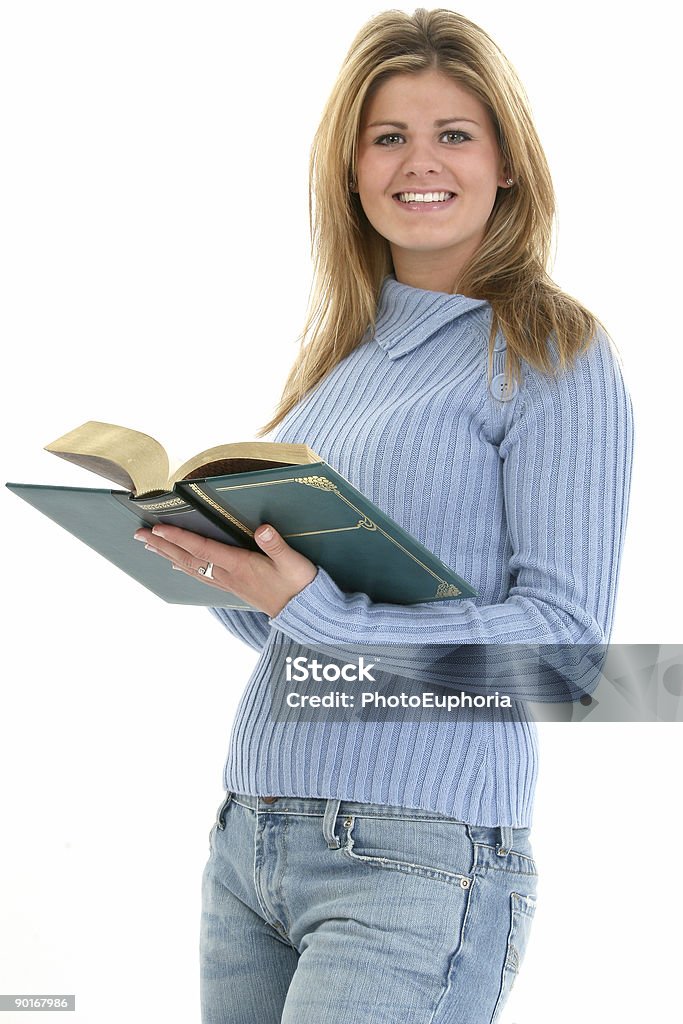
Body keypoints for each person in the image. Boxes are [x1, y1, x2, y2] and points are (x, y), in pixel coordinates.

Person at [134, 7, 633, 1022]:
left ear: (506, 163)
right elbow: (301, 626)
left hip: (416, 853)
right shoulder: (336, 370)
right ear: (351, 170)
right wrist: (226, 572)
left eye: (453, 133)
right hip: (254, 838)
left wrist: (321, 613)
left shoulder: (550, 349)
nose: (419, 162)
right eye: (387, 136)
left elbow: (563, 649)